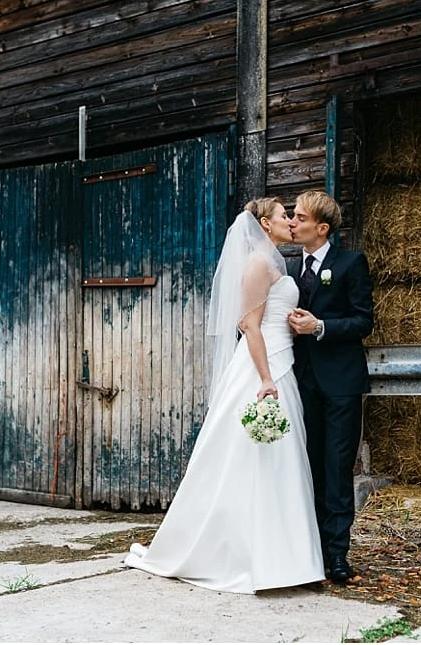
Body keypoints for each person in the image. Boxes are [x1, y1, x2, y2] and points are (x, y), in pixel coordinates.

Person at [124, 199, 324, 593]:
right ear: (265, 225)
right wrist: (266, 380)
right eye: (286, 216)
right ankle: (248, 557)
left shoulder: (277, 264)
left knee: (281, 460)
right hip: (262, 369)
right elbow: (249, 326)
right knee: (252, 458)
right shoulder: (257, 265)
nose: (291, 222)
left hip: (281, 361)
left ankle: (289, 560)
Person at [287, 190, 374, 584]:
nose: (293, 222)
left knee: (337, 469)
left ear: (321, 228)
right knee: (309, 467)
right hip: (301, 382)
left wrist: (319, 326)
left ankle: (337, 555)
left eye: (300, 218)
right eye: (292, 216)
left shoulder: (350, 264)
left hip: (340, 383)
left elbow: (362, 322)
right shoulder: (287, 270)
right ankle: (308, 553)